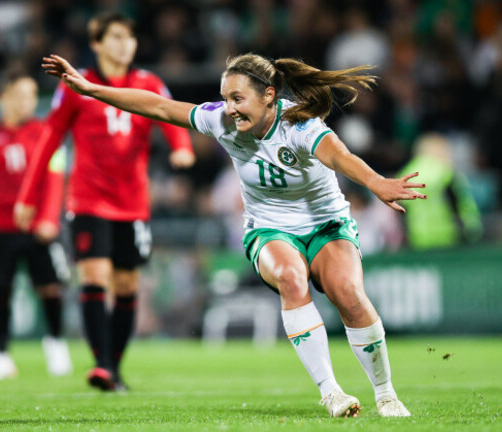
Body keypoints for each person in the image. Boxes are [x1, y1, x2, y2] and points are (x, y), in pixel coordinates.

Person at [39, 52, 426, 417]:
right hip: (269, 228)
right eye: (225, 98)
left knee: (350, 295)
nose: (229, 108)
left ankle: (386, 394)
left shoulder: (300, 123)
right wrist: (91, 90)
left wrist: (376, 183)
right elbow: (157, 106)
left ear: (269, 95)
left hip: (326, 224)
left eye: (237, 98)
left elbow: (339, 156)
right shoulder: (221, 120)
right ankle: (331, 392)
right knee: (292, 278)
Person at [14, 12, 195, 392]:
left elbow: (169, 115)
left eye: (128, 37)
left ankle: (113, 366)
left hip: (132, 203)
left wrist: (182, 149)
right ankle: (101, 364)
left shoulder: (149, 82)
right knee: (94, 276)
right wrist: (28, 196)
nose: (123, 44)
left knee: (127, 284)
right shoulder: (76, 85)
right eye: (114, 36)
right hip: (88, 200)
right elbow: (49, 139)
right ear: (96, 44)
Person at [0, 68, 72, 380]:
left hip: (38, 228)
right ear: (3, 98)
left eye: (30, 96)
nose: (25, 102)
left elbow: (55, 179)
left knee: (50, 288)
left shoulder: (46, 133)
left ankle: (55, 343)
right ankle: (1, 354)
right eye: (18, 96)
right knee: (0, 290)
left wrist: (47, 219)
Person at [398, 133, 482, 249]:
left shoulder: (405, 175)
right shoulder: (447, 173)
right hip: (448, 238)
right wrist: (472, 233)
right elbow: (462, 206)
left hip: (416, 239)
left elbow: (400, 210)